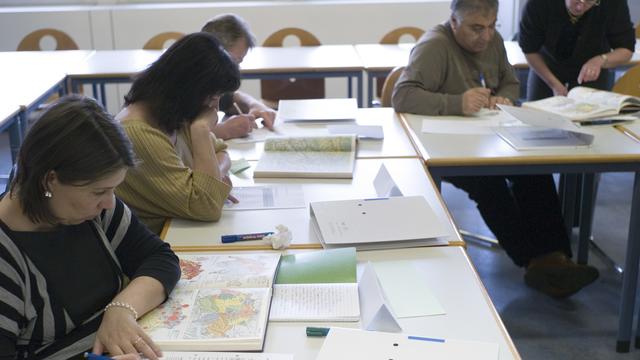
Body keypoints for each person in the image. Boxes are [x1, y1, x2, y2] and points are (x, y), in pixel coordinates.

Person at [392, 0, 599, 298]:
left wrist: (503, 98)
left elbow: (511, 84)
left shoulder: (494, 42)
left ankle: (555, 258)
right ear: (453, 22)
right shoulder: (435, 46)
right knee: (489, 184)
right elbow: (402, 96)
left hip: (490, 138)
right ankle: (533, 261)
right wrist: (456, 103)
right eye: (476, 28)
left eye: (492, 27)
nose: (486, 36)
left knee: (533, 171)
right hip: (444, 147)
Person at [0, 95, 181, 360]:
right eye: (99, 191)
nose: (109, 203)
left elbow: (159, 258)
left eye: (112, 190)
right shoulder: (7, 257)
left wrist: (121, 309)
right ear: (50, 180)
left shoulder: (86, 210)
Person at [115, 32, 240, 234]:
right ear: (190, 89)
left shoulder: (173, 111)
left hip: (181, 230)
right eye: (213, 96)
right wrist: (201, 131)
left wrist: (213, 178)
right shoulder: (138, 133)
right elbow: (207, 207)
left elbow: (221, 150)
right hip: (158, 243)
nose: (215, 106)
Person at [519, 0, 635, 100]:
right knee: (539, 120)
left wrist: (601, 60)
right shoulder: (539, 3)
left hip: (592, 72)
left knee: (591, 122)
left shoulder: (613, 3)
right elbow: (530, 50)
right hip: (546, 69)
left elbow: (626, 49)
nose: (580, 7)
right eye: (577, 0)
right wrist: (553, 84)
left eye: (589, 2)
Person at [201, 13, 277, 140]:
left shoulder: (210, 78)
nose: (235, 71)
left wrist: (255, 105)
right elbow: (179, 136)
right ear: (212, 51)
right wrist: (225, 130)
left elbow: (231, 98)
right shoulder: (185, 79)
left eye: (238, 63)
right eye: (233, 61)